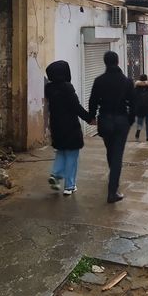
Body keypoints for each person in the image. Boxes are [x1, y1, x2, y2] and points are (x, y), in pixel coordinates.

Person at [88, 51, 135, 203]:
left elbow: (93, 101)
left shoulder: (99, 81)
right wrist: (130, 120)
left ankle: (113, 180)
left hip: (105, 120)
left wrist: (91, 117)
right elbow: (133, 103)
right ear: (118, 61)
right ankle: (112, 191)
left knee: (110, 151)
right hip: (121, 121)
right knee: (117, 156)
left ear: (105, 62)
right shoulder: (127, 81)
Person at [45, 60, 93, 196]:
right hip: (70, 126)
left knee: (61, 151)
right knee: (72, 155)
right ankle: (69, 186)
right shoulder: (67, 88)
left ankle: (55, 174)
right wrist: (89, 118)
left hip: (56, 126)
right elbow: (76, 107)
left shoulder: (49, 88)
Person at [134, 74, 148, 141]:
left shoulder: (137, 88)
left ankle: (138, 133)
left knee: (139, 123)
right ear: (147, 79)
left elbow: (133, 97)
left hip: (140, 108)